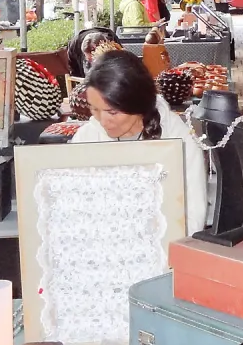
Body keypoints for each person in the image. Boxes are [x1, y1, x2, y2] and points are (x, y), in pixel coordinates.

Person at [70, 51, 209, 235]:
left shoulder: (178, 139)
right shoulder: (86, 139)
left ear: (138, 104)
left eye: (112, 112)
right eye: (94, 109)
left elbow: (193, 216)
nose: (103, 121)